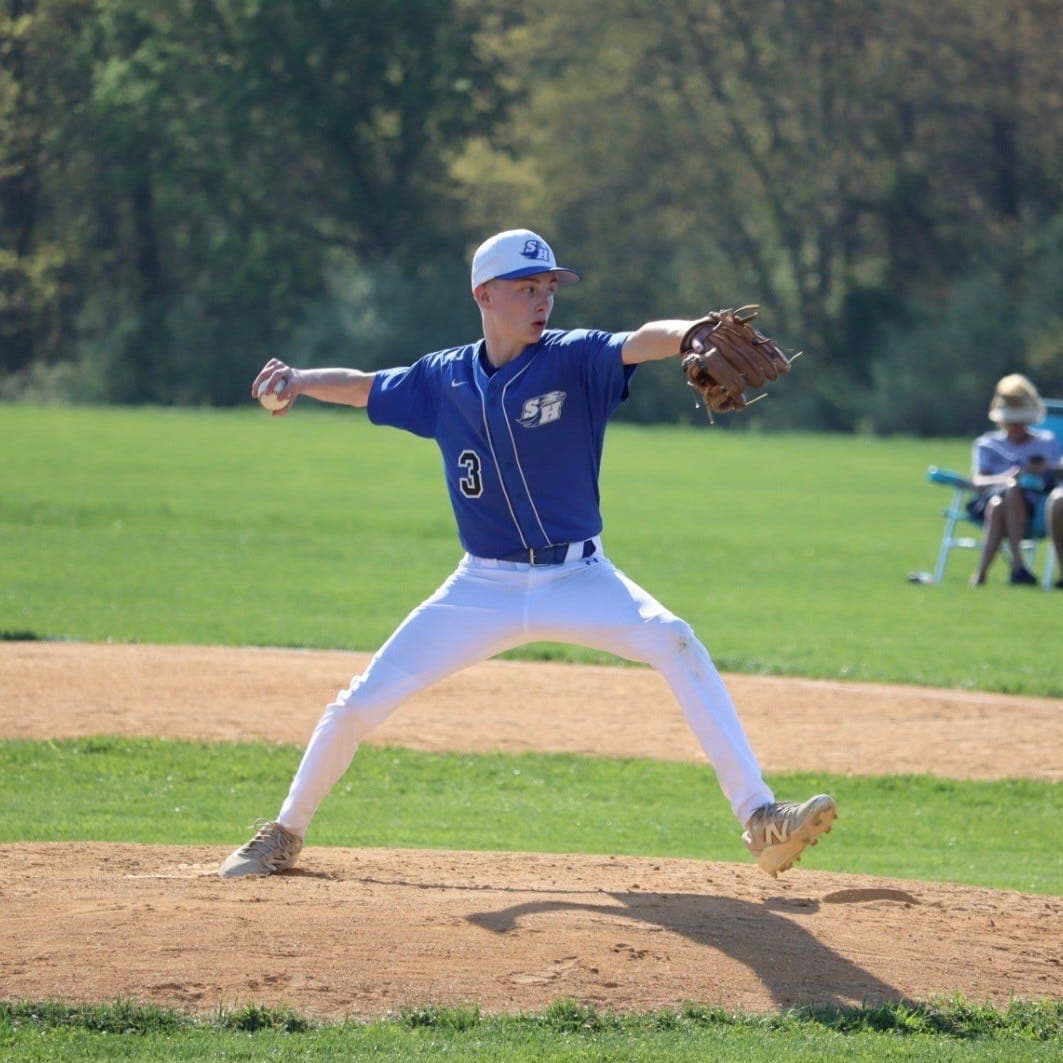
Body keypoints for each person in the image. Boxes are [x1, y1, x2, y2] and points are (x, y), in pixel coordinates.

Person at [220, 229, 837, 881]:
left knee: (674, 639)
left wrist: (689, 334)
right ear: (483, 295)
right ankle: (283, 833)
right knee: (357, 701)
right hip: (479, 587)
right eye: (525, 288)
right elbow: (368, 386)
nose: (543, 300)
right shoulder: (442, 378)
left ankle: (759, 816)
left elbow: (638, 341)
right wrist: (299, 380)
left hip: (580, 575)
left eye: (548, 287)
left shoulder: (572, 359)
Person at [970, 374, 1063, 587]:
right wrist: (1006, 477)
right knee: (1002, 498)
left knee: (1000, 504)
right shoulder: (987, 444)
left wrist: (1043, 468)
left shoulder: (1045, 442)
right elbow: (978, 480)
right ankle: (1018, 566)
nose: (1016, 427)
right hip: (990, 501)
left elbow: (1059, 470)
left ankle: (982, 575)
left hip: (1034, 507)